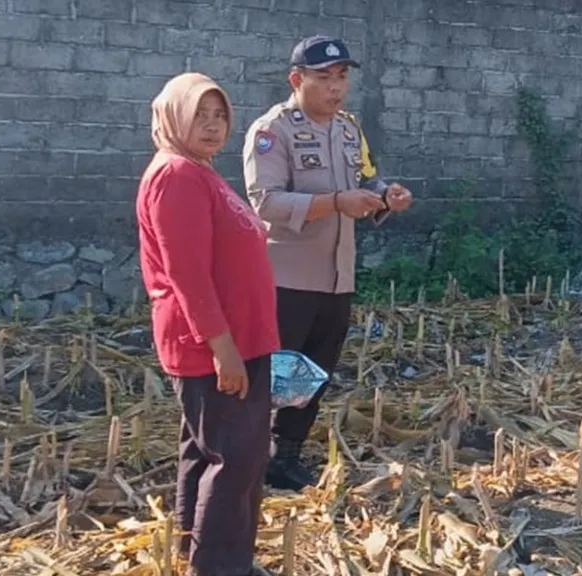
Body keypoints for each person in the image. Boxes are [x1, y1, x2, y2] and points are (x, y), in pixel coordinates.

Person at [242, 35, 413, 491]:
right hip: (286, 277)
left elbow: (368, 180)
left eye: (342, 77)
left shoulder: (348, 129)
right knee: (271, 375)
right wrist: (336, 201)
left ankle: (285, 456)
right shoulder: (271, 131)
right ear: (297, 80)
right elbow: (265, 202)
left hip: (337, 275)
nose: (335, 88)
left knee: (313, 373)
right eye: (324, 78)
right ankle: (243, 459)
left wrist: (386, 198)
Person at [136, 72, 279, 576]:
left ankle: (197, 551)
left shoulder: (198, 171)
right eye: (201, 114)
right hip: (216, 344)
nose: (214, 125)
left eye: (220, 115)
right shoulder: (176, 176)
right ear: (173, 116)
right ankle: (220, 567)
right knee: (237, 457)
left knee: (207, 451)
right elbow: (188, 275)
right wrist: (223, 350)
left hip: (235, 337)